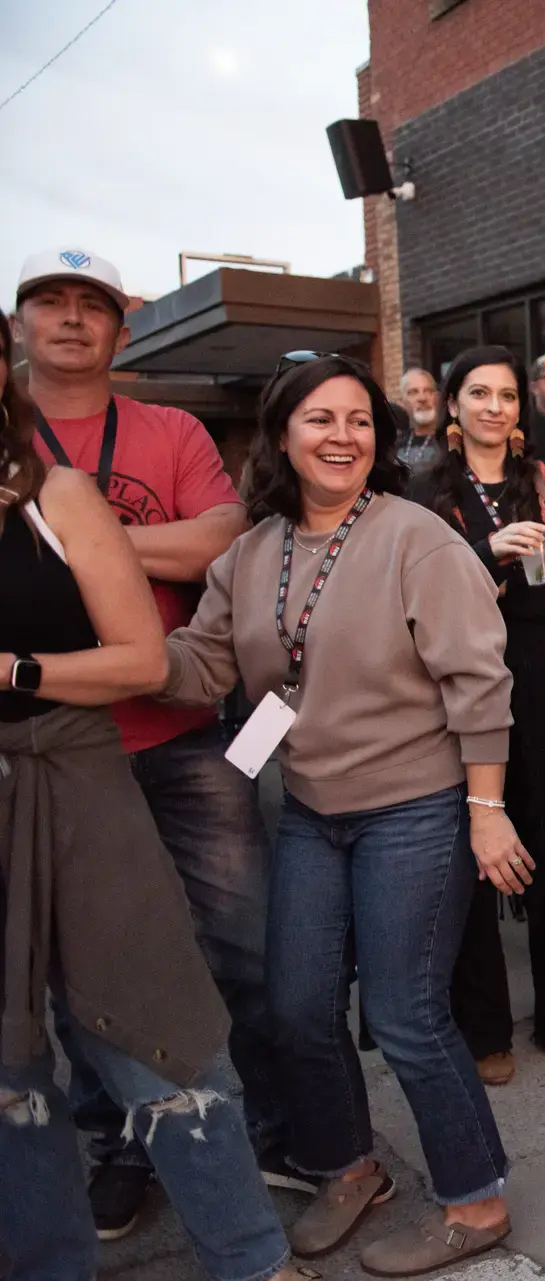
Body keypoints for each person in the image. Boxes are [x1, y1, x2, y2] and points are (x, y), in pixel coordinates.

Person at [162, 352, 519, 1274]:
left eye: (360, 420)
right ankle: (351, 1166)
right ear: (282, 433)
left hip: (417, 807)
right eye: (320, 418)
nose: (342, 436)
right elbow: (199, 665)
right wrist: (93, 655)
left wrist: (487, 810)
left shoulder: (416, 538)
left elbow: (480, 683)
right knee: (296, 1007)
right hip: (312, 810)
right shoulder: (250, 553)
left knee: (406, 1014)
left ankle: (476, 1200)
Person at [0, 313, 303, 1281]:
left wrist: (17, 668)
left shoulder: (62, 487)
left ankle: (254, 1234)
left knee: (164, 1002)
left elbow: (196, 575)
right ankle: (79, 1216)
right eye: (51, 301)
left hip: (102, 758)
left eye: (89, 303)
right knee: (12, 1054)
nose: (70, 319)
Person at [415, 347, 545, 1086]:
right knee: (475, 862)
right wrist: (489, 554)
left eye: (506, 395)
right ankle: (484, 1030)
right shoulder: (425, 490)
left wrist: (513, 595)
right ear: (453, 404)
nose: (494, 407)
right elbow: (418, 588)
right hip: (462, 695)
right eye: (479, 393)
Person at [398, 365, 443, 469]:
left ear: (437, 398)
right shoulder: (393, 447)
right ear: (402, 402)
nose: (422, 398)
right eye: (413, 392)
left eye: (428, 391)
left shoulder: (453, 443)